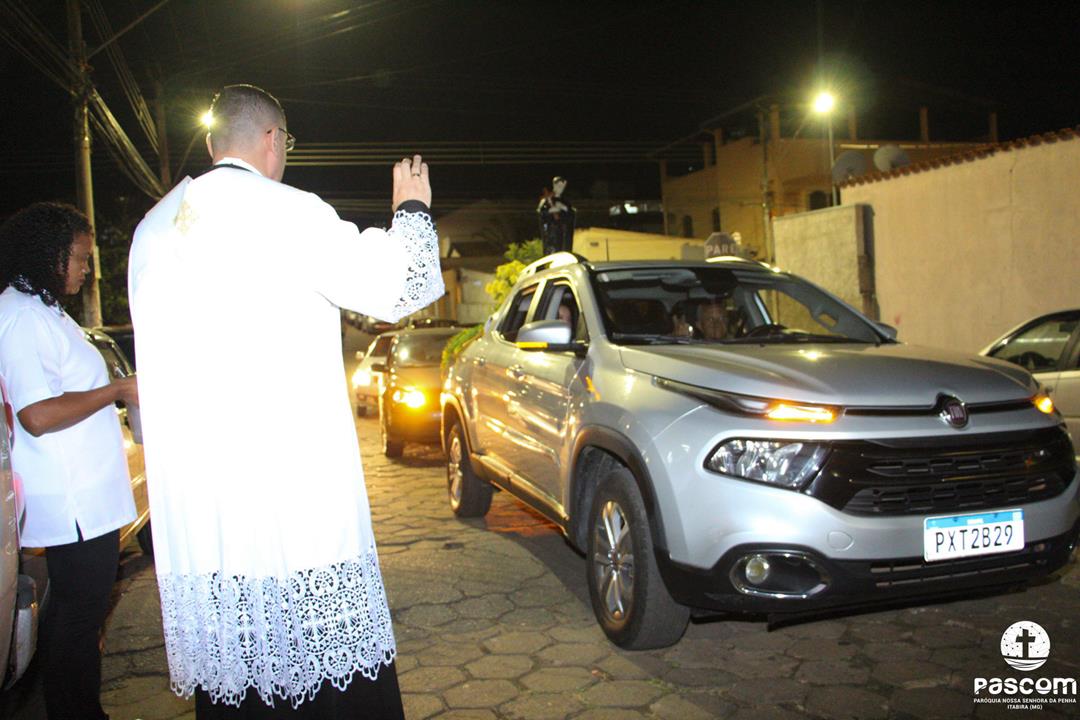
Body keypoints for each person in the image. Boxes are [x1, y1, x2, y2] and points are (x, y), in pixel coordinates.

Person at [128, 84, 444, 718]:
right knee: (325, 672)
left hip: (205, 506)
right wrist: (411, 210)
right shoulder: (287, 210)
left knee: (239, 672)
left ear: (213, 144)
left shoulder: (152, 229)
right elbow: (395, 286)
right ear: (273, 140)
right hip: (289, 497)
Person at [0, 202, 139, 720]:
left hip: (87, 495)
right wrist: (117, 390)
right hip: (70, 499)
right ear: (51, 255)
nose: (87, 269)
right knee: (77, 619)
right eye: (80, 257)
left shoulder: (45, 310)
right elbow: (36, 415)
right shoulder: (19, 317)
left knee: (78, 617)